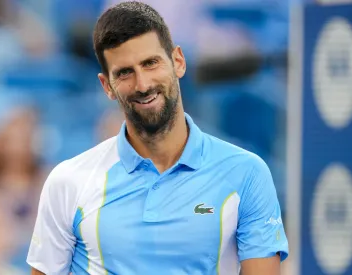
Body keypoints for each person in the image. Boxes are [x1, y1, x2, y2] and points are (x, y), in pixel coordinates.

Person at [27, 2, 289, 275]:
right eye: (125, 72)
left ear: (178, 61)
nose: (143, 84)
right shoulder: (68, 181)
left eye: (150, 63)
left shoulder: (247, 173)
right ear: (107, 86)